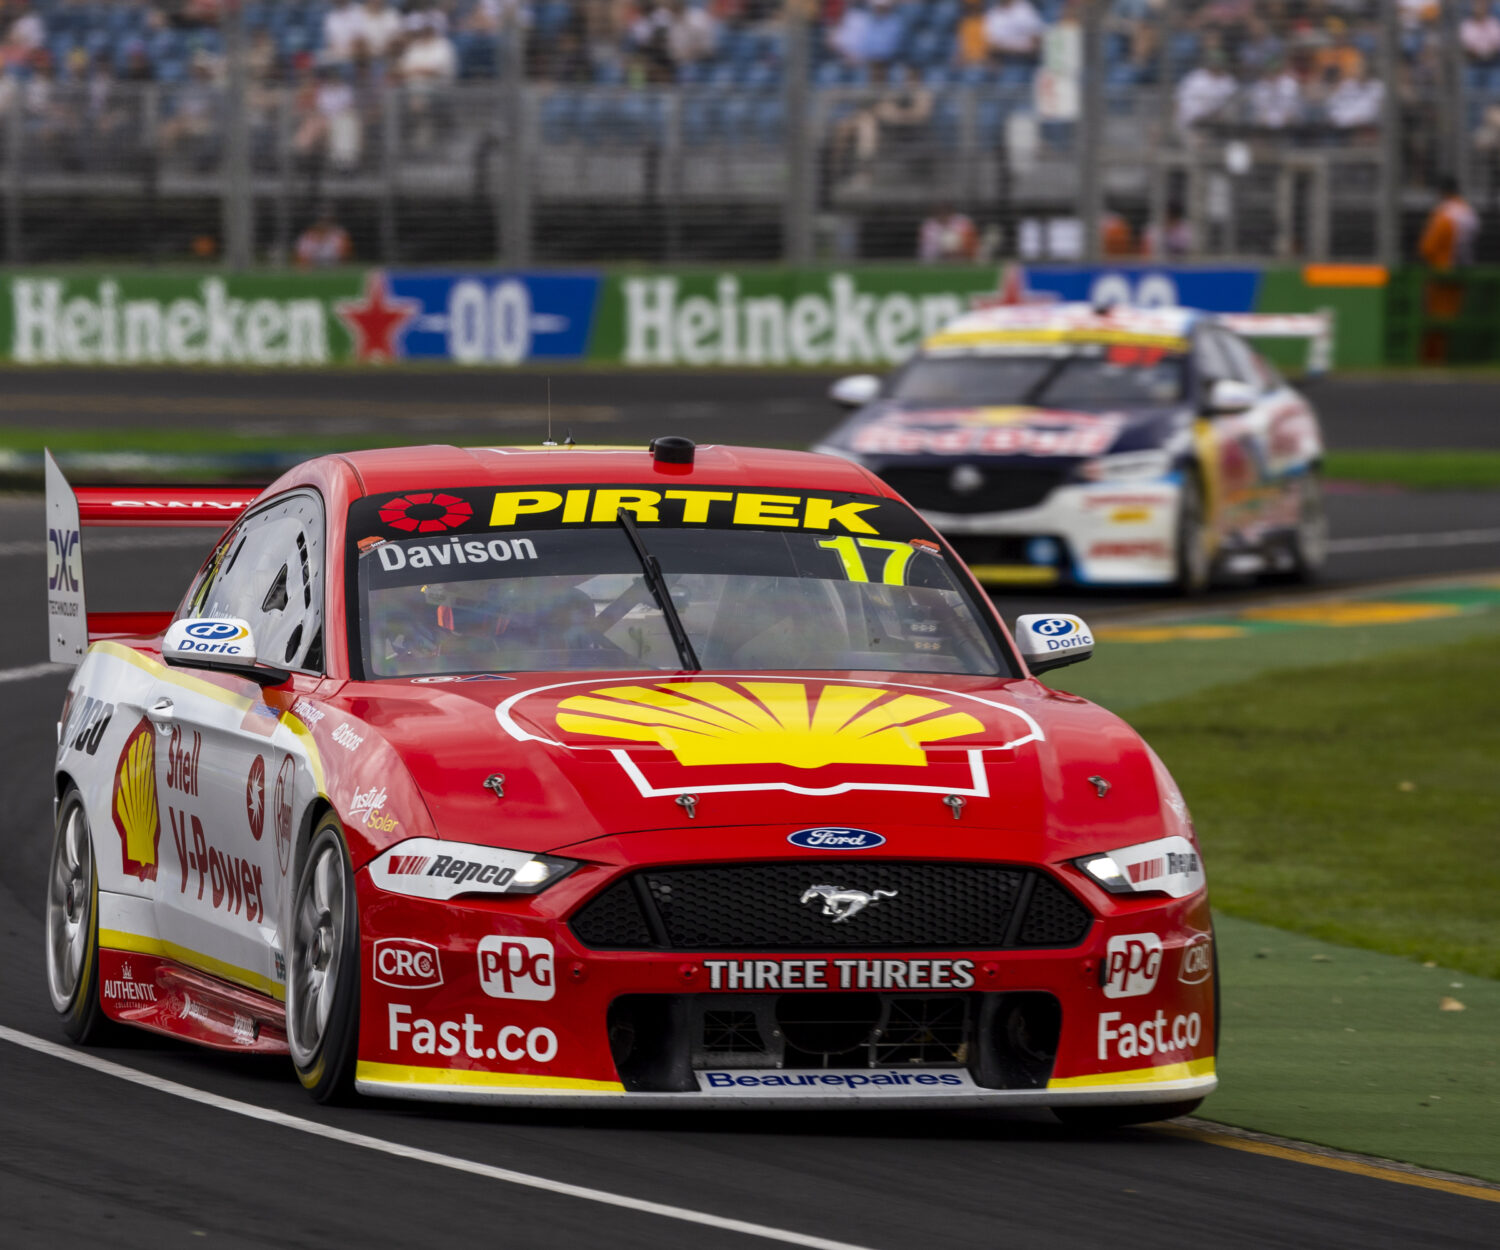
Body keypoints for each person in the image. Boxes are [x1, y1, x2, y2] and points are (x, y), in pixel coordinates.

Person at [1419, 175, 1479, 272]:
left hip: (1443, 272)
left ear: (1442, 192)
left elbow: (1427, 248)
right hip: (1466, 271)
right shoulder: (1469, 212)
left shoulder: (1444, 214)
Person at [983, 0, 1045, 66]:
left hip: (1029, 60)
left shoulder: (1024, 7)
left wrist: (1008, 46)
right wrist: (1021, 48)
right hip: (1005, 60)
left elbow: (1037, 37)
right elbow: (992, 46)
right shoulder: (992, 14)